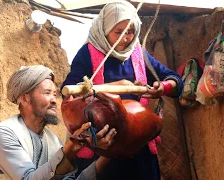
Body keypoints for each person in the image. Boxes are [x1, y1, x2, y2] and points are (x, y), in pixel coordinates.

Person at [61, 1, 184, 180]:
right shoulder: (87, 54)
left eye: (130, 31)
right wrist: (119, 85)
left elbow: (175, 80)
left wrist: (162, 87)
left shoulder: (138, 53)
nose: (126, 38)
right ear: (104, 28)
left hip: (138, 146)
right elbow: (69, 92)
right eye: (118, 32)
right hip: (102, 147)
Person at [0, 65, 117, 180]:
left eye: (55, 94)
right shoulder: (4, 134)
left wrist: (110, 154)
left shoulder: (53, 141)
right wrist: (69, 151)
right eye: (47, 93)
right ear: (25, 98)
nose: (54, 100)